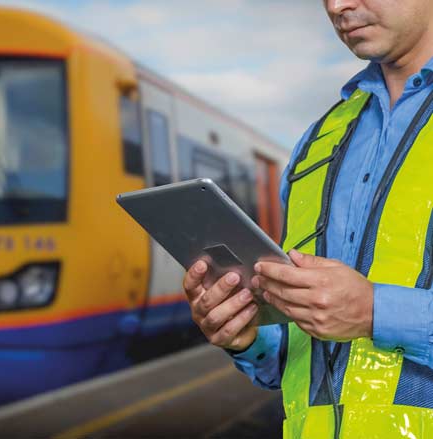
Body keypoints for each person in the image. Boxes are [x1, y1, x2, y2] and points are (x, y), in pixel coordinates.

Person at [183, 1, 433, 437]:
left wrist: (375, 312)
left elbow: (362, 313)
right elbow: (298, 359)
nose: (338, 5)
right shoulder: (318, 143)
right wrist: (248, 336)